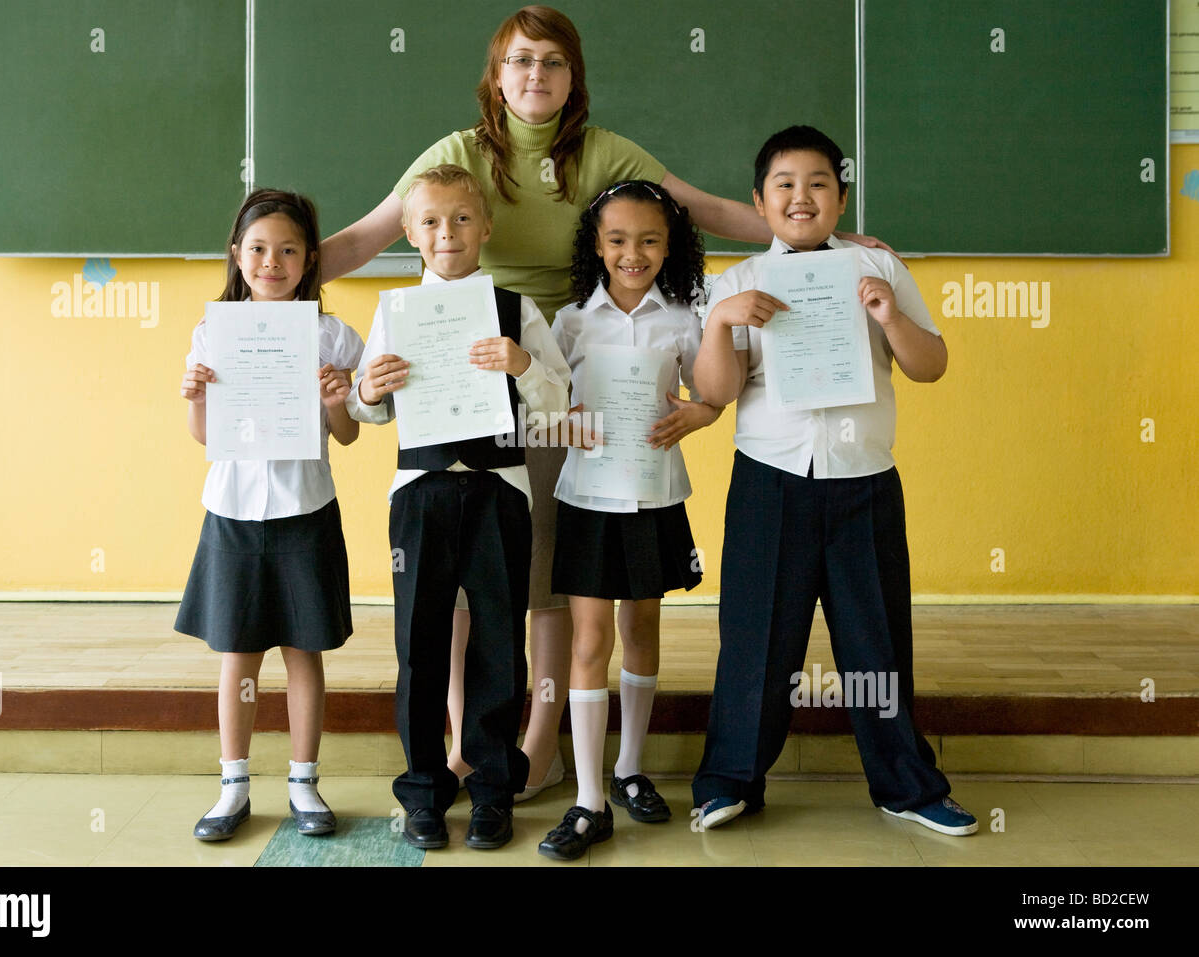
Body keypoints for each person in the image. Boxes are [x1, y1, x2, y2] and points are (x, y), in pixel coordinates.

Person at [320, 4, 861, 803]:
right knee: (463, 583)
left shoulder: (604, 150)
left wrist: (818, 238)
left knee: (540, 572)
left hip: (554, 369)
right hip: (460, 376)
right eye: (520, 61)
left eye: (552, 63)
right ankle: (468, 732)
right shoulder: (456, 155)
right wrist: (273, 284)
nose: (535, 75)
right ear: (496, 75)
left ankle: (541, 732)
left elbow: (702, 211)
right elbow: (368, 237)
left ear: (573, 79)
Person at [690, 126, 977, 836]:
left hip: (864, 481)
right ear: (759, 202)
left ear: (840, 197)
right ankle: (729, 779)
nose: (801, 196)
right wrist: (720, 325)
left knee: (876, 640)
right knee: (756, 637)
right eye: (784, 184)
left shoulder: (878, 268)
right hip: (770, 479)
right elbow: (716, 392)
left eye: (819, 183)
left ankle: (905, 785)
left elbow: (931, 364)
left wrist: (887, 313)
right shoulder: (735, 284)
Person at [345, 165, 570, 850]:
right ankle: (422, 791)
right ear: (411, 234)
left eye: (463, 219)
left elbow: (558, 403)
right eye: (434, 222)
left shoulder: (516, 309)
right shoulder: (394, 309)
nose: (450, 233)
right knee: (420, 644)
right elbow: (365, 410)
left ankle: (494, 790)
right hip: (421, 494)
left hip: (502, 489)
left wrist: (522, 364)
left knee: (500, 641)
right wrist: (370, 390)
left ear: (487, 227)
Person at [536, 180, 718, 860]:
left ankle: (630, 768)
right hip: (587, 498)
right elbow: (545, 409)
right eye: (617, 240)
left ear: (669, 244)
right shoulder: (573, 321)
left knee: (641, 627)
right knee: (588, 643)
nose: (632, 253)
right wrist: (565, 421)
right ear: (596, 246)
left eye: (648, 239)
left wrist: (701, 413)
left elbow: (711, 393)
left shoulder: (683, 317)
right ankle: (588, 798)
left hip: (655, 495)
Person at [176, 190, 364, 841]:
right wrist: (196, 396)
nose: (272, 261)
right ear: (237, 255)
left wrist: (338, 397)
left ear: (310, 257)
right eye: (258, 249)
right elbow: (205, 435)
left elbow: (347, 435)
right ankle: (233, 785)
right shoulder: (213, 331)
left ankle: (304, 782)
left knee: (304, 650)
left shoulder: (333, 334)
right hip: (232, 512)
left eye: (288, 250)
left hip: (304, 510)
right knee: (238, 653)